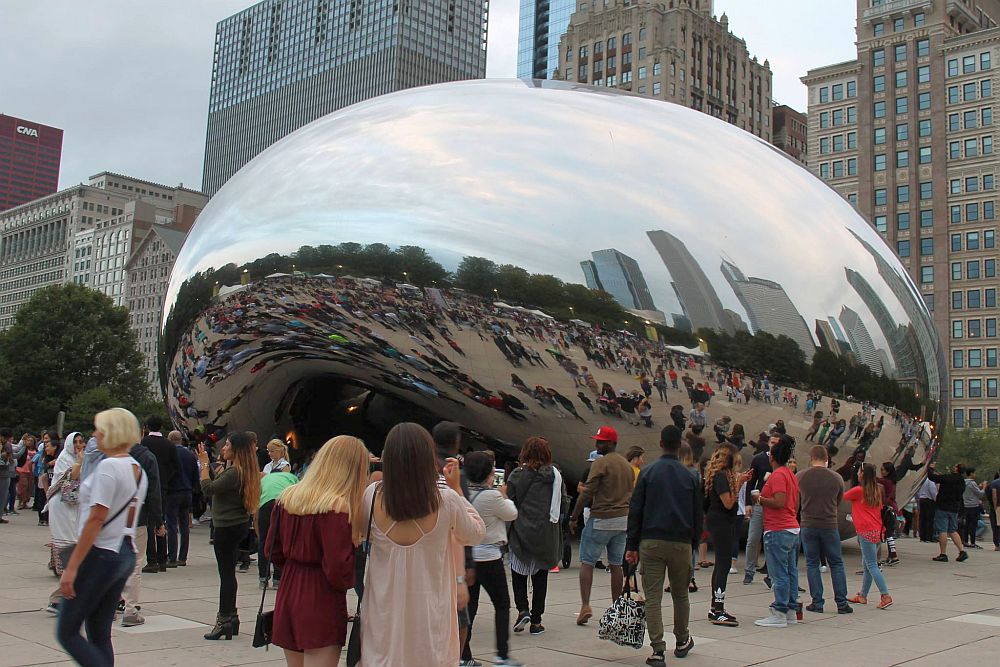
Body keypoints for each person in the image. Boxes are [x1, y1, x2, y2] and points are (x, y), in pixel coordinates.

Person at [359, 423, 485, 667]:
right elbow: (476, 533)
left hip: (383, 616)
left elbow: (362, 535)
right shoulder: (446, 500)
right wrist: (457, 489)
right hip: (431, 616)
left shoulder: (372, 495)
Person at [56, 408, 149, 667]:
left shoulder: (109, 467)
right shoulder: (137, 469)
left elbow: (96, 518)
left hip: (101, 551)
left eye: (100, 430)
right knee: (99, 633)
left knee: (67, 631)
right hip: (124, 551)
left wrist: (72, 567)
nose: (95, 435)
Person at [266, 435, 367, 667]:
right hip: (320, 595)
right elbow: (337, 568)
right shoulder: (337, 506)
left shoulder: (287, 497)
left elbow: (272, 550)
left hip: (289, 588)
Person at [625, 425, 699, 666]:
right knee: (680, 594)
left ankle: (657, 649)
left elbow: (635, 511)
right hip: (681, 543)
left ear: (660, 443)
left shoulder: (647, 473)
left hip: (651, 541)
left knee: (653, 597)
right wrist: (694, 544)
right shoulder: (691, 476)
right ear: (679, 445)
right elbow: (698, 515)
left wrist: (632, 545)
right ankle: (682, 640)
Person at [460, 452, 522, 667]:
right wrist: (505, 495)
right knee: (502, 604)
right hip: (489, 557)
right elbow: (511, 514)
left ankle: (464, 653)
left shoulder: (462, 493)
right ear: (488, 473)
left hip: (468, 556)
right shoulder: (492, 496)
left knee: (470, 607)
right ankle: (502, 655)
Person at [198, 431, 261, 640]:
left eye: (227, 446)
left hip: (227, 526)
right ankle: (231, 618)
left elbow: (208, 489)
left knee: (226, 574)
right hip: (237, 524)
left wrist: (205, 466)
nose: (223, 449)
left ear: (236, 450)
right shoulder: (240, 470)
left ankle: (224, 619)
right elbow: (222, 488)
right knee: (228, 573)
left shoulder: (235, 471)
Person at [569, 425, 633, 625]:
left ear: (612, 443)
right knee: (616, 565)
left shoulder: (600, 463)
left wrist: (574, 516)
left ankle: (585, 605)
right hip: (623, 520)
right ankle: (616, 608)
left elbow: (587, 492)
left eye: (601, 441)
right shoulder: (627, 465)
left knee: (587, 562)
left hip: (601, 519)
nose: (597, 444)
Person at [507, 436, 566, 635]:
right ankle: (537, 620)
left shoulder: (516, 475)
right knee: (540, 577)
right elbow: (563, 503)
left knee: (518, 573)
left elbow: (510, 504)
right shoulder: (556, 476)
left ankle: (522, 609)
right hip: (546, 533)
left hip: (521, 531)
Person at [797, 445, 851, 614]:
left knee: (812, 563)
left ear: (811, 458)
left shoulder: (801, 476)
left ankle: (817, 602)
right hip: (829, 524)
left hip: (808, 523)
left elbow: (796, 500)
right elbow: (838, 500)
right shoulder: (837, 478)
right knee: (836, 563)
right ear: (827, 459)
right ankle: (842, 603)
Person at [753, 435, 800, 628]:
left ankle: (779, 611)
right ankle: (790, 610)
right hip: (790, 527)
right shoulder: (790, 474)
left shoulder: (778, 475)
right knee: (790, 571)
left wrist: (760, 499)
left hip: (777, 528)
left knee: (778, 572)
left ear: (772, 457)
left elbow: (779, 502)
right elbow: (794, 503)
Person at [704, 444, 752, 626]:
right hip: (721, 523)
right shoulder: (721, 476)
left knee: (720, 564)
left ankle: (715, 606)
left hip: (719, 522)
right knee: (723, 564)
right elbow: (729, 503)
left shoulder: (718, 475)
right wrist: (740, 484)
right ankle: (718, 608)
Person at [46, 432, 86, 615]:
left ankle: (61, 598)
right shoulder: (65, 458)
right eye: (76, 442)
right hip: (62, 508)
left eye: (81, 442)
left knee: (75, 548)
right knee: (69, 548)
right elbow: (69, 489)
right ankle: (62, 598)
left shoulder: (80, 458)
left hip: (73, 508)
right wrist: (78, 462)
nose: (79, 445)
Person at [845, 464, 893, 609]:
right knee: (867, 565)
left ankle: (885, 595)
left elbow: (843, 497)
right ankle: (863, 596)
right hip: (878, 531)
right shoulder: (877, 491)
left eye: (859, 472)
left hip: (865, 531)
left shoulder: (858, 491)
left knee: (872, 565)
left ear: (862, 474)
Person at [140, 416, 178, 575]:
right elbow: (176, 467)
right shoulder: (169, 444)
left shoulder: (143, 444)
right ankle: (163, 559)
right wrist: (166, 481)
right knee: (161, 520)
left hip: (146, 486)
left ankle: (152, 559)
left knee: (149, 522)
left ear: (147, 427)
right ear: (161, 426)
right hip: (163, 487)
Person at [258, 460, 299, 590]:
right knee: (281, 540)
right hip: (283, 504)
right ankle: (278, 578)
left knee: (264, 541)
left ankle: (263, 578)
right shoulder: (292, 477)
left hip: (265, 505)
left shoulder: (265, 479)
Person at [743, 433, 775, 585]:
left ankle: (770, 572)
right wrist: (748, 503)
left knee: (771, 540)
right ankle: (749, 572)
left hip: (775, 504)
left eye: (777, 443)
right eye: (772, 442)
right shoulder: (760, 459)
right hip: (759, 503)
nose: (774, 445)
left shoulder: (784, 461)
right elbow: (751, 481)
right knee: (753, 538)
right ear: (768, 443)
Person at [166, 431, 198, 568]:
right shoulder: (190, 454)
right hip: (187, 491)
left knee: (172, 524)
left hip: (173, 491)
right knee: (184, 525)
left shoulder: (170, 454)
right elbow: (195, 473)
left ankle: (172, 556)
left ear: (169, 439)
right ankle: (183, 556)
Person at [928, 461, 969, 563]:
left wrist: (931, 469)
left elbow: (933, 478)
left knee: (942, 530)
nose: (953, 466)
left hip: (943, 507)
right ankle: (962, 551)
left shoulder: (948, 478)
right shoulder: (962, 482)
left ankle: (943, 554)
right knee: (953, 530)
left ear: (956, 469)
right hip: (954, 508)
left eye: (955, 466)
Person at [962, 468, 985, 549]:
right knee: (973, 525)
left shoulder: (963, 482)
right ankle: (972, 542)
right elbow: (980, 494)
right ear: (971, 474)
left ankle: (965, 541)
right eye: (974, 473)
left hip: (965, 506)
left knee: (966, 525)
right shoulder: (972, 483)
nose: (975, 475)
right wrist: (984, 488)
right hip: (973, 506)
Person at [915, 474, 938, 542]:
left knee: (922, 519)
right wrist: (936, 500)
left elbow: (917, 491)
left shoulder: (921, 480)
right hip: (929, 500)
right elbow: (933, 491)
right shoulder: (930, 480)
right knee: (929, 519)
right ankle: (929, 537)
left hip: (922, 499)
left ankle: (922, 536)